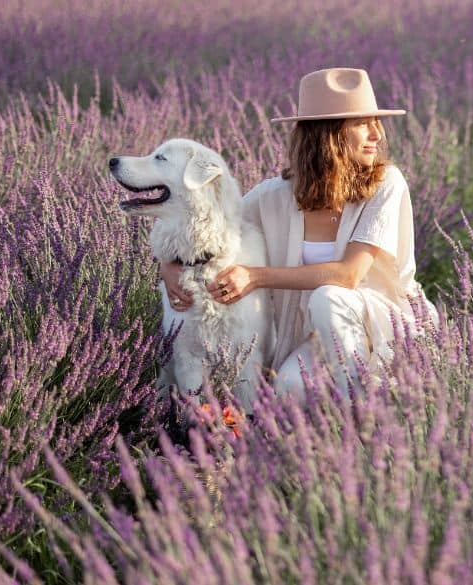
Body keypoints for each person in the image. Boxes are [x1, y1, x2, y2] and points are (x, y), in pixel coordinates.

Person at [159, 67, 440, 409]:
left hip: (385, 329)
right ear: (329, 134)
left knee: (329, 298)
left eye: (376, 122)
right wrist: (168, 264)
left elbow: (348, 275)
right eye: (363, 123)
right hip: (319, 338)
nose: (377, 134)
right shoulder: (274, 197)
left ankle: (364, 415)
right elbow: (208, 225)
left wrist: (257, 276)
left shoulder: (387, 184)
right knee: (286, 392)